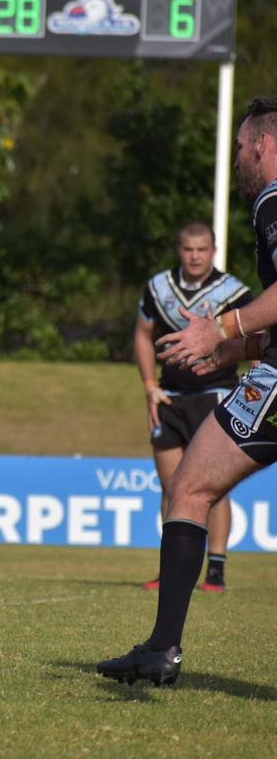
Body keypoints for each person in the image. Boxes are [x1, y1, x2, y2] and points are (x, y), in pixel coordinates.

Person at [97, 97, 277, 686]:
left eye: (238, 151)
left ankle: (163, 648)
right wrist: (238, 350)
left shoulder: (274, 202)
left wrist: (221, 327)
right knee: (189, 487)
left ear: (262, 147)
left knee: (189, 489)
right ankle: (160, 649)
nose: (236, 163)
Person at [135, 222, 251, 594]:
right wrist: (149, 385)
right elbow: (141, 334)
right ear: (178, 249)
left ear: (213, 251)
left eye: (202, 249)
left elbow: (259, 339)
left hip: (214, 393)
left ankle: (215, 569)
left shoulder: (233, 291)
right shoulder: (158, 288)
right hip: (169, 396)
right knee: (171, 487)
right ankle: (169, 568)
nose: (195, 256)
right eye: (188, 249)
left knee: (211, 485)